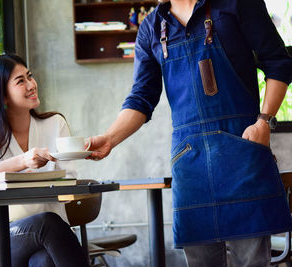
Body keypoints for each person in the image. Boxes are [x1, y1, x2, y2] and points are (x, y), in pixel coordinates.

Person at [87, 0, 292, 266]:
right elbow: (141, 98)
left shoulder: (238, 3)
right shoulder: (151, 28)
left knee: (251, 261)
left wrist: (264, 121)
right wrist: (110, 139)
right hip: (190, 161)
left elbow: (278, 62)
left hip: (243, 150)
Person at [0, 54, 89, 267]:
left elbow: (69, 183)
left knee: (45, 260)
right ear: (2, 96)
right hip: (0, 240)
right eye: (21, 81)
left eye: (29, 76)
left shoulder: (55, 124)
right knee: (48, 223)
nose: (31, 85)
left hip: (52, 241)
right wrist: (22, 162)